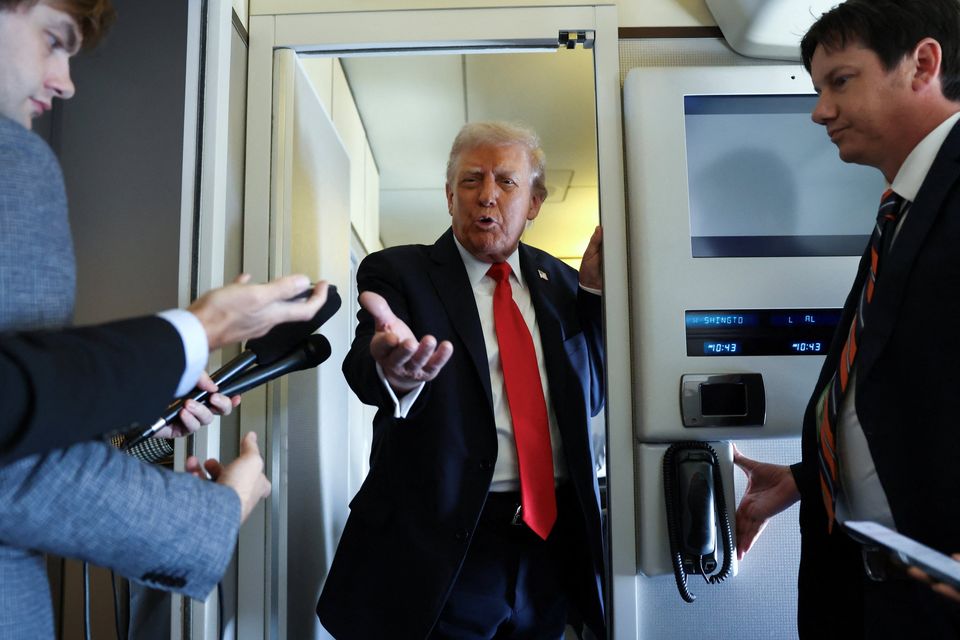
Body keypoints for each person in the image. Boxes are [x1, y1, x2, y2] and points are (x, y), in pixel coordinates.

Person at [0, 1, 326, 637]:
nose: (66, 81)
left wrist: (133, 412)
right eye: (53, 39)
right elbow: (19, 459)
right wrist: (219, 510)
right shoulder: (15, 162)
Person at [316, 121, 606, 639]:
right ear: (450, 196)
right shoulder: (399, 273)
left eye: (506, 182)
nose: (486, 196)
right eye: (471, 181)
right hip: (446, 547)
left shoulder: (561, 282)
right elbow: (365, 365)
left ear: (535, 202)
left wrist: (597, 302)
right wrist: (394, 372)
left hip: (550, 548)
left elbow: (593, 396)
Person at [733, 0, 960, 635]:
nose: (819, 111)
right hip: (871, 584)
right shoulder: (903, 207)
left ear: (923, 64)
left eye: (841, 81)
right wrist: (809, 477)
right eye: (817, 88)